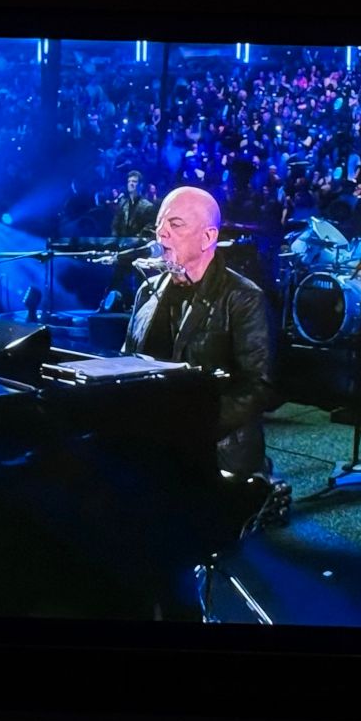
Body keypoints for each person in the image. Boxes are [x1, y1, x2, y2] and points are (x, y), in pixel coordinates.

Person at [123, 186, 282, 523]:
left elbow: (258, 386)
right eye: (159, 224)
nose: (162, 233)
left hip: (215, 451)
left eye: (176, 224)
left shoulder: (243, 298)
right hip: (151, 446)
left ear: (208, 236)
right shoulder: (146, 292)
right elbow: (125, 365)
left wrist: (192, 428)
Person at [111, 170, 157, 238]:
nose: (131, 183)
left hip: (138, 245)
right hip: (122, 244)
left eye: (134, 181)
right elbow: (115, 225)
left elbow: (149, 228)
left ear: (141, 185)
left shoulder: (148, 207)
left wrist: (137, 240)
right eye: (129, 181)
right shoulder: (122, 205)